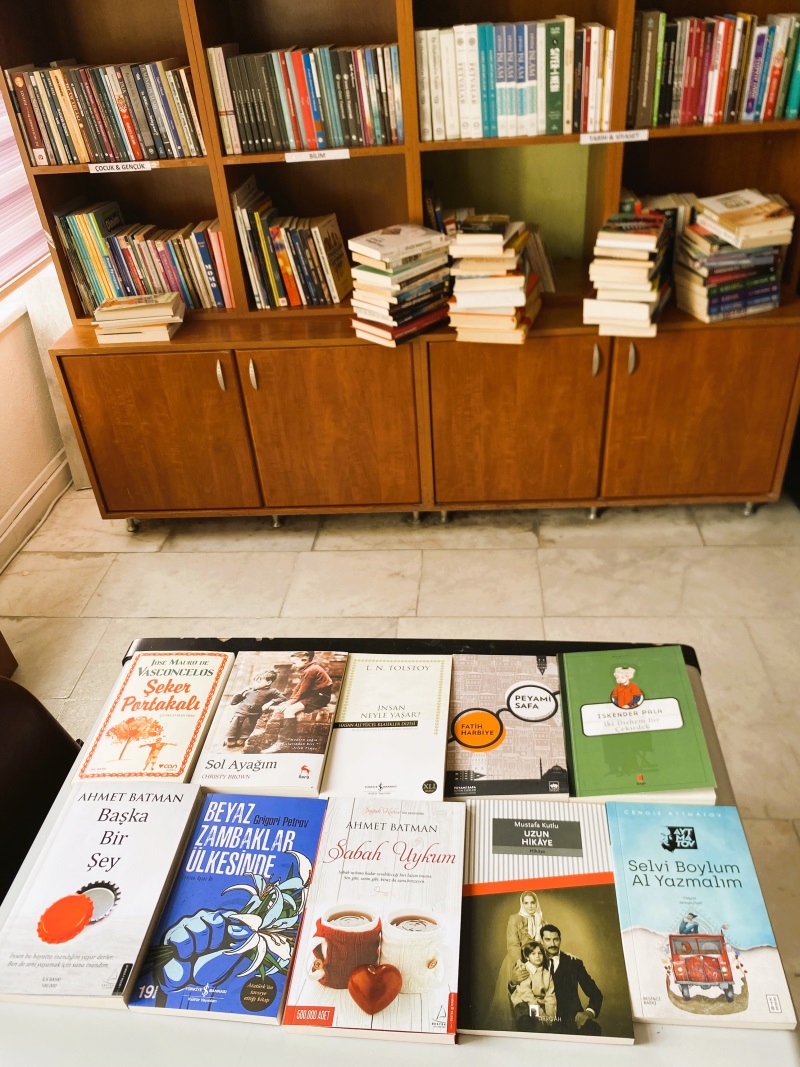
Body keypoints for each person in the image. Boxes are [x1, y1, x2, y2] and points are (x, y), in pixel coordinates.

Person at [487, 891, 544, 1029]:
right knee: (518, 997)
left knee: (535, 995)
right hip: (517, 960)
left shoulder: (542, 921)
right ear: (522, 904)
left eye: (532, 902)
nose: (530, 906)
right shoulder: (515, 919)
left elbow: (544, 945)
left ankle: (535, 1024)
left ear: (536, 903)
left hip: (535, 961)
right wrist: (519, 961)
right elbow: (512, 943)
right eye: (526, 903)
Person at [541, 923, 603, 1035]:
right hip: (544, 1019)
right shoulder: (534, 961)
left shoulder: (574, 963)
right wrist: (514, 982)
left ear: (560, 940)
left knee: (593, 1029)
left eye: (556, 939)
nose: (552, 944)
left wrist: (588, 1013)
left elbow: (596, 994)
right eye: (548, 940)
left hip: (570, 1020)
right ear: (541, 941)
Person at [266, 652, 334, 753]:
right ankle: (284, 742)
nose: (293, 665)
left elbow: (303, 691)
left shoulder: (311, 670)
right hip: (314, 695)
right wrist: (291, 700)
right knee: (287, 706)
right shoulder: (308, 668)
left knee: (289, 711)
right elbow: (299, 687)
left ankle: (284, 743)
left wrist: (291, 703)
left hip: (319, 697)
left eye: (294, 663)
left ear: (305, 660)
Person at [225, 669, 285, 748]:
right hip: (239, 714)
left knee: (240, 741)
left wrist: (270, 703)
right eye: (254, 680)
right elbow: (233, 702)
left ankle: (242, 738)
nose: (255, 683)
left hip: (251, 717)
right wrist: (240, 693)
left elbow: (282, 698)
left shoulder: (272, 691)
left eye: (259, 680)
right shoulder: (248, 690)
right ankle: (230, 738)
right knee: (231, 741)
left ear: (268, 682)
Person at [508, 940, 556, 1030]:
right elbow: (527, 996)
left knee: (549, 1025)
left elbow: (550, 996)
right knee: (527, 1022)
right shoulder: (524, 970)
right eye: (533, 954)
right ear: (527, 957)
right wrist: (541, 1014)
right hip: (524, 1002)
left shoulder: (547, 973)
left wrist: (550, 1016)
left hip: (539, 1002)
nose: (537, 956)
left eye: (540, 953)